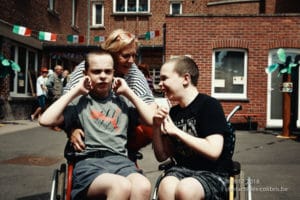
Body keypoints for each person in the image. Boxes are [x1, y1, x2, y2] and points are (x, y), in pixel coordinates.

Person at [39, 50, 153, 200]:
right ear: (86, 73)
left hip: (121, 162)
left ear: (114, 73)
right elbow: (45, 120)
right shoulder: (78, 102)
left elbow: (152, 120)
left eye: (107, 71)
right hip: (90, 164)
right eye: (96, 71)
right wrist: (75, 91)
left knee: (143, 186)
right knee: (120, 186)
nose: (103, 76)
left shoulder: (123, 101)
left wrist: (129, 93)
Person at [64, 29, 156, 152]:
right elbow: (65, 101)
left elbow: (150, 106)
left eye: (134, 55)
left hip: (119, 127)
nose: (131, 61)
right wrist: (72, 129)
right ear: (111, 54)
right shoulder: (90, 65)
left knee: (153, 128)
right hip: (88, 126)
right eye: (126, 56)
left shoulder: (133, 71)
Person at [152, 56, 230, 200]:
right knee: (166, 185)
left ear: (185, 79)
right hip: (181, 170)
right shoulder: (173, 113)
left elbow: (213, 151)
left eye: (164, 78)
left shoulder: (209, 105)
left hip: (213, 173)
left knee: (186, 189)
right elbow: (162, 156)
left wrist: (176, 132)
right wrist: (156, 127)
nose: (160, 84)